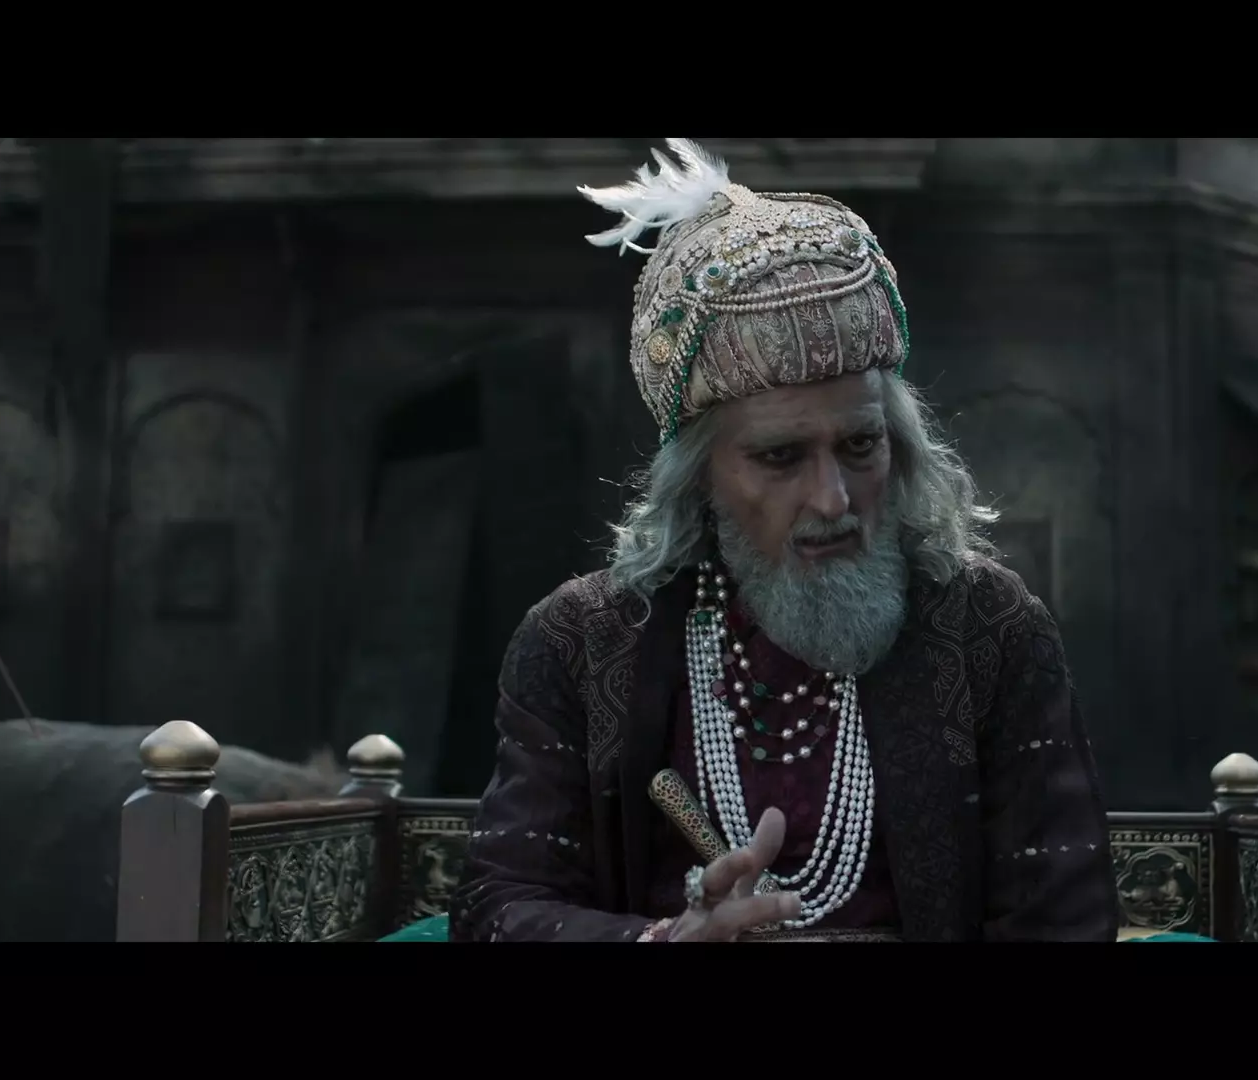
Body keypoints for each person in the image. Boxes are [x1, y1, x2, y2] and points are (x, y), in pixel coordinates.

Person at [448, 139, 1117, 943]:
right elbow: (496, 909)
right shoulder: (582, 643)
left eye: (860, 446)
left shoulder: (989, 629)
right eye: (780, 457)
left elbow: (1062, 924)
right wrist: (663, 942)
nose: (832, 499)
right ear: (698, 478)